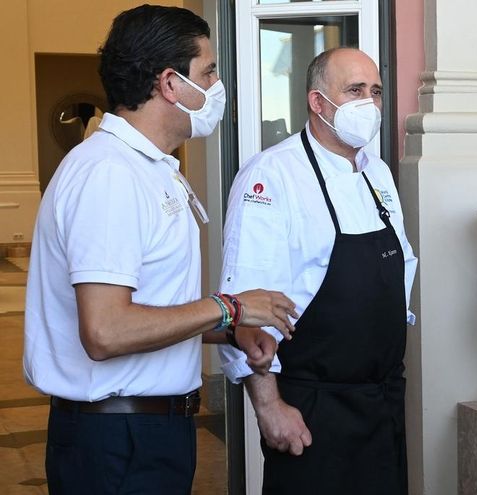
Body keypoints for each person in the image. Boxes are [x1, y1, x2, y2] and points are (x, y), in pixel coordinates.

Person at [23, 5, 300, 493]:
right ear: (171, 84)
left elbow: (146, 310)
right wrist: (229, 307)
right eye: (208, 72)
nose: (217, 87)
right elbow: (106, 330)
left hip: (146, 433)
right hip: (116, 440)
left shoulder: (149, 167)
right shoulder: (110, 175)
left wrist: (228, 332)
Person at [217, 47, 418, 494]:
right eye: (355, 90)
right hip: (312, 407)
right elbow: (243, 311)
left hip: (382, 404)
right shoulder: (271, 176)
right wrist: (268, 408)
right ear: (317, 102)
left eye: (376, 91)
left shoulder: (378, 174)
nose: (369, 102)